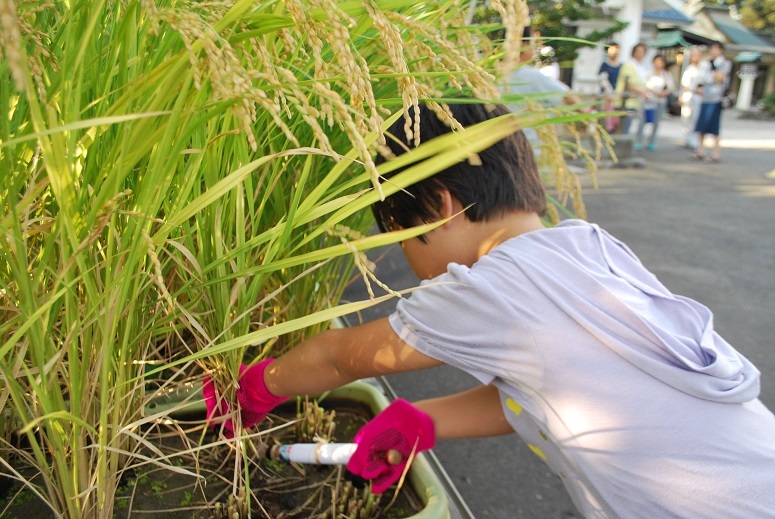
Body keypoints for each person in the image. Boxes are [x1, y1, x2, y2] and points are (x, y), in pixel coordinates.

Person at [203, 102, 775, 518]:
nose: (405, 252)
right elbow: (559, 390)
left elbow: (338, 358)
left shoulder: (491, 288)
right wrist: (424, 421)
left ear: (440, 207)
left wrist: (253, 388)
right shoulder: (589, 245)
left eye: (401, 234)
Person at [500, 26, 585, 153]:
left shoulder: (490, 74)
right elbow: (567, 94)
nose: (535, 48)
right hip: (525, 149)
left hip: (497, 148)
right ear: (524, 44)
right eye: (534, 43)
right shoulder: (532, 76)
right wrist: (587, 113)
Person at [693, 41, 731, 163]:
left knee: (714, 127)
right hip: (704, 97)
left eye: (716, 49)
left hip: (716, 98)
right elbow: (701, 79)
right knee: (701, 126)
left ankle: (715, 153)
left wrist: (714, 67)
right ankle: (701, 150)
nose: (713, 51)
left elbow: (719, 78)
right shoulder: (705, 63)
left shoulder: (724, 63)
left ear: (721, 51)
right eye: (712, 49)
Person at [615, 43, 652, 140]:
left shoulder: (640, 66)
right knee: (623, 128)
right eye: (638, 51)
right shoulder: (629, 65)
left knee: (627, 127)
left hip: (635, 102)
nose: (640, 54)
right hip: (626, 101)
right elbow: (629, 84)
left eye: (642, 52)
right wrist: (643, 92)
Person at [638, 54, 675, 151]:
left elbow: (671, 87)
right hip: (648, 100)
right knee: (642, 120)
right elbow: (644, 86)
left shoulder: (666, 74)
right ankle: (639, 141)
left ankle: (652, 141)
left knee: (656, 122)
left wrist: (664, 93)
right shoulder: (648, 73)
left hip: (660, 100)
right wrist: (653, 92)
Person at [679, 46, 703, 150]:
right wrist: (681, 96)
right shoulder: (689, 68)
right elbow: (684, 84)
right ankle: (686, 139)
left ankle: (694, 140)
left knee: (696, 119)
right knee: (686, 118)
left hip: (698, 96)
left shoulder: (704, 67)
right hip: (688, 95)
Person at [598, 43, 622, 133]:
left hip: (618, 94)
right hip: (607, 94)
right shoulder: (605, 65)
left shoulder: (621, 66)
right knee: (608, 111)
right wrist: (610, 92)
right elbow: (603, 79)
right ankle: (608, 128)